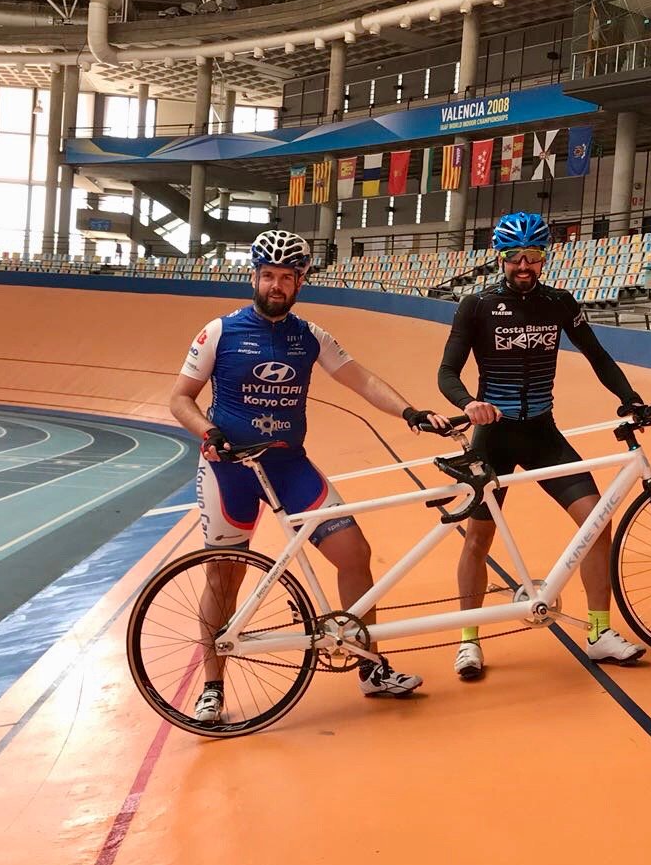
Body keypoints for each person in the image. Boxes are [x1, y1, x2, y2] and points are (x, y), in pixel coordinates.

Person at [171, 228, 448, 723]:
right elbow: (180, 399)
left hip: (289, 466)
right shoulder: (219, 332)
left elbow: (361, 379)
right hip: (229, 470)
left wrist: (410, 412)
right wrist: (209, 432)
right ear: (254, 278)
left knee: (354, 552)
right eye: (268, 275)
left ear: (300, 282)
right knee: (224, 575)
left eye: (287, 277)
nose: (276, 285)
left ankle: (370, 667)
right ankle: (213, 686)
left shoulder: (310, 336)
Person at [437, 212, 648, 680]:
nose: (523, 265)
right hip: (494, 437)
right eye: (515, 256)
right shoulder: (477, 305)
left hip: (542, 434)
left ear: (543, 259)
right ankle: (468, 641)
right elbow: (447, 372)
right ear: (501, 258)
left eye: (532, 256)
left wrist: (629, 396)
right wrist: (469, 403)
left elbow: (597, 355)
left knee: (597, 522)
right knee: (477, 539)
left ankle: (599, 633)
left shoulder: (559, 303)